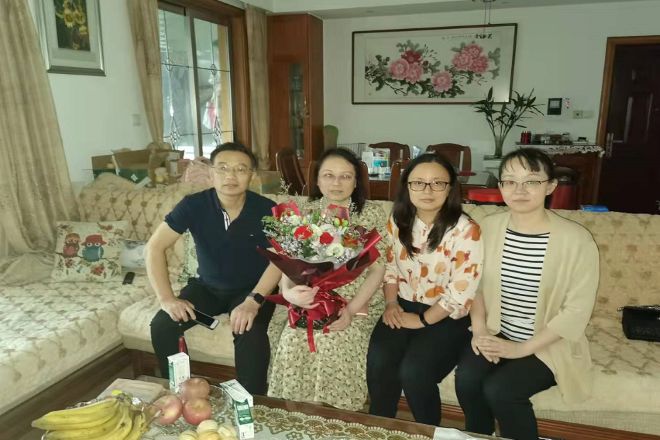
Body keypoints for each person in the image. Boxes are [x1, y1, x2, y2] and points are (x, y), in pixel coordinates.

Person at [455, 148, 599, 440]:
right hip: (497, 329)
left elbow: (576, 311)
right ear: (500, 186)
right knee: (467, 380)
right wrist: (480, 332)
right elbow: (474, 284)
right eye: (510, 181)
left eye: (531, 181)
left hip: (548, 342)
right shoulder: (488, 228)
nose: (519, 190)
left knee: (501, 390)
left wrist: (521, 349)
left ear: (550, 186)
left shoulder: (577, 239)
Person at [147, 142, 281, 395]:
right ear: (210, 173)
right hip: (207, 289)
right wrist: (166, 299)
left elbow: (279, 259)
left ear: (252, 176)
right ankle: (179, 394)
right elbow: (154, 248)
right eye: (223, 168)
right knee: (164, 324)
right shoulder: (193, 205)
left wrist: (253, 301)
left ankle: (252, 402)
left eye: (240, 169)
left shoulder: (267, 209)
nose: (231, 176)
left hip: (251, 290)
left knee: (250, 331)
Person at [367, 153, 484, 426]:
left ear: (450, 188)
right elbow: (391, 267)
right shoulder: (398, 221)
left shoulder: (466, 230)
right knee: (380, 361)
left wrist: (421, 320)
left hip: (446, 315)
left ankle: (428, 432)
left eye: (437, 183)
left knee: (415, 371)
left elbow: (461, 291)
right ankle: (380, 428)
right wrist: (391, 304)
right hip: (402, 304)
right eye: (418, 183)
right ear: (407, 187)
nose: (427, 190)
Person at [267, 147, 388, 411]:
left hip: (356, 301)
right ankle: (298, 415)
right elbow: (288, 262)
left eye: (346, 176)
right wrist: (288, 293)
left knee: (335, 338)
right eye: (329, 175)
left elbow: (378, 270)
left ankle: (335, 415)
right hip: (309, 298)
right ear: (318, 180)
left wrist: (350, 310)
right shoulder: (303, 212)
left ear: (356, 181)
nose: (336, 183)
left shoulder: (371, 213)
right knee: (291, 338)